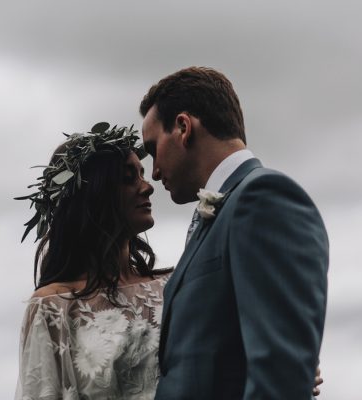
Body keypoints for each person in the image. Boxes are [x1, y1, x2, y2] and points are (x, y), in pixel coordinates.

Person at [139, 67, 329, 399]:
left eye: (154, 149)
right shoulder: (219, 214)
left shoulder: (264, 198)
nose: (153, 172)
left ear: (184, 128)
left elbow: (281, 373)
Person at [14, 123, 173, 400]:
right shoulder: (53, 307)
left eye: (142, 175)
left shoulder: (173, 285)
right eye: (128, 179)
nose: (147, 188)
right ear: (94, 195)